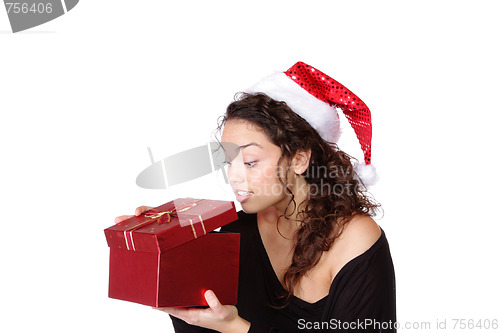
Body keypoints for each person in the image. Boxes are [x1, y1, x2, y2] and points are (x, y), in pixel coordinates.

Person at [115, 62, 396, 332]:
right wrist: (174, 251)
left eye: (250, 161)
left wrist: (237, 328)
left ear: (299, 159)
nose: (234, 177)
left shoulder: (354, 239)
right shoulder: (234, 235)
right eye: (229, 162)